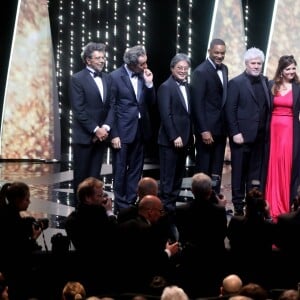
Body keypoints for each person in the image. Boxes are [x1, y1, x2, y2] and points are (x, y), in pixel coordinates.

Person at [109, 45, 156, 214]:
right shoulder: (114, 77)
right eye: (141, 64)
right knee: (120, 169)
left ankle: (129, 201)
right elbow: (111, 107)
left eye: (145, 63)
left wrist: (150, 84)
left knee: (136, 168)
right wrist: (113, 134)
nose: (145, 67)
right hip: (122, 131)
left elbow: (151, 102)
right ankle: (120, 204)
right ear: (131, 63)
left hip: (141, 129)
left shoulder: (144, 76)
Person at [225, 47, 271, 216]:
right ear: (246, 64)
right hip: (241, 137)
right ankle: (238, 205)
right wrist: (235, 132)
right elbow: (230, 110)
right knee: (239, 172)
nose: (256, 66)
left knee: (254, 174)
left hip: (260, 137)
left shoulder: (266, 82)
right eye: (253, 63)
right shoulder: (236, 83)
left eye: (259, 63)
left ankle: (252, 204)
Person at [69, 41, 114, 203]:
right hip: (84, 137)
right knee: (81, 178)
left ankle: (94, 212)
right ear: (88, 60)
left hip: (101, 137)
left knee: (95, 178)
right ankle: (79, 213)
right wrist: (95, 130)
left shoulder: (108, 78)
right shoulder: (77, 79)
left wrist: (105, 128)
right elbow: (79, 110)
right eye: (98, 58)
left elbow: (112, 106)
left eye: (103, 57)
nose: (102, 60)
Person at [175, 172, 228, 297]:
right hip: (213, 262)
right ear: (210, 191)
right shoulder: (219, 211)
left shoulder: (181, 210)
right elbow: (222, 234)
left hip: (190, 262)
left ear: (192, 190)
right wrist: (220, 207)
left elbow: (183, 235)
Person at [64, 177, 117, 295]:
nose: (103, 199)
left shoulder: (71, 220)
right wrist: (109, 212)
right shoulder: (102, 217)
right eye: (99, 196)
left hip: (83, 271)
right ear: (88, 198)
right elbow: (115, 236)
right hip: (105, 273)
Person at [117, 195, 180, 294]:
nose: (161, 215)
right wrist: (169, 252)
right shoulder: (148, 231)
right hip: (140, 285)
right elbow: (153, 262)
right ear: (150, 212)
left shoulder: (123, 226)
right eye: (160, 211)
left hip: (121, 282)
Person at [190, 38, 229, 194]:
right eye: (216, 52)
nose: (219, 56)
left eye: (222, 53)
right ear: (209, 52)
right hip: (207, 130)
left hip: (221, 128)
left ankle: (215, 199)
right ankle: (201, 200)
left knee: (217, 168)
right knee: (204, 167)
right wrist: (204, 130)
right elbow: (197, 104)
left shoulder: (225, 69)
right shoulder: (200, 71)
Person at [157, 53, 193, 217]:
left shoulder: (187, 86)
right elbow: (166, 115)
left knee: (178, 176)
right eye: (180, 68)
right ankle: (164, 209)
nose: (183, 71)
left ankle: (171, 208)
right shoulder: (166, 87)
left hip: (184, 139)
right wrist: (174, 136)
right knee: (168, 177)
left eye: (185, 68)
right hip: (170, 141)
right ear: (172, 68)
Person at [264, 55, 300, 220]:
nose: (292, 71)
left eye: (293, 68)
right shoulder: (272, 85)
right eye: (288, 69)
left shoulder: (298, 87)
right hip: (273, 130)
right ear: (281, 70)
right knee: (273, 163)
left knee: (286, 164)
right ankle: (270, 203)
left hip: (289, 130)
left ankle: (285, 205)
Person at [0, 181, 45, 300]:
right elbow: (18, 251)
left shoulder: (6, 215)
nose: (29, 202)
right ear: (17, 200)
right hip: (15, 273)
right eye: (27, 199)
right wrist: (34, 238)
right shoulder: (13, 221)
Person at [227, 188, 276, 288]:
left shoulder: (236, 221)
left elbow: (229, 236)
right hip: (262, 272)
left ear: (246, 207)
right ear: (264, 208)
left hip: (239, 269)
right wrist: (268, 216)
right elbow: (276, 239)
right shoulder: (268, 226)